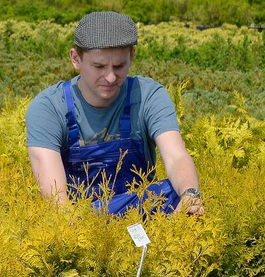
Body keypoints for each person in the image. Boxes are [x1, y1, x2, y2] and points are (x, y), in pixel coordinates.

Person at [24, 11, 204, 217]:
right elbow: (55, 197)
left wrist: (190, 194)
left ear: (132, 56)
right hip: (79, 219)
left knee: (178, 192)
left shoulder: (148, 95)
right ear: (75, 59)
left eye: (119, 66)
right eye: (99, 66)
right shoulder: (48, 108)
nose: (110, 77)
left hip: (141, 211)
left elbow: (176, 157)